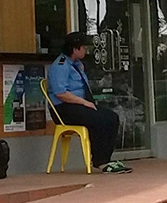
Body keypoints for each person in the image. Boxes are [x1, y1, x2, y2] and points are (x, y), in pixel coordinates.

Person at [47, 32, 131, 174]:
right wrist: (84, 103)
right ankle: (100, 161)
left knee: (111, 117)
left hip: (78, 105)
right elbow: (61, 93)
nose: (85, 50)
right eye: (83, 47)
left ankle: (106, 158)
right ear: (75, 49)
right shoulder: (60, 66)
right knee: (97, 120)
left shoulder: (76, 64)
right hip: (64, 109)